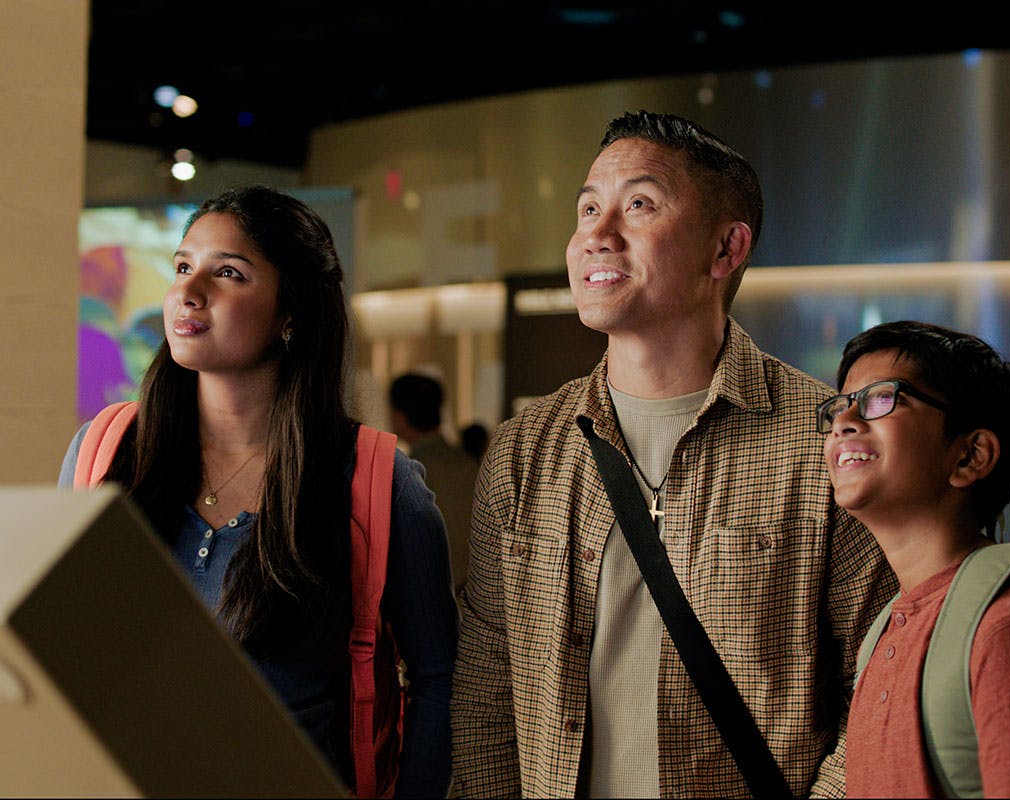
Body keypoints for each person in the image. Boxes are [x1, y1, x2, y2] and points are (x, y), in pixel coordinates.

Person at [450, 110, 897, 798]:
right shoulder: (525, 450)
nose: (597, 235)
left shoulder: (824, 444)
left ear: (725, 249)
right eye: (588, 209)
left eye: (638, 206)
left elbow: (879, 689)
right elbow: (487, 694)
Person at [57, 185, 458, 798]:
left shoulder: (375, 481)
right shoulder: (105, 450)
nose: (189, 292)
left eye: (228, 273)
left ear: (290, 312)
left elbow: (437, 678)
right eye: (183, 267)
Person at [826, 320, 1010, 797]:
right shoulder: (891, 622)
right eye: (840, 405)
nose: (843, 421)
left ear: (971, 456)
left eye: (883, 398)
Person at [389, 371, 479, 597]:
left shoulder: (406, 473)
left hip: (431, 599)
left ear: (399, 415)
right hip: (477, 599)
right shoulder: (470, 464)